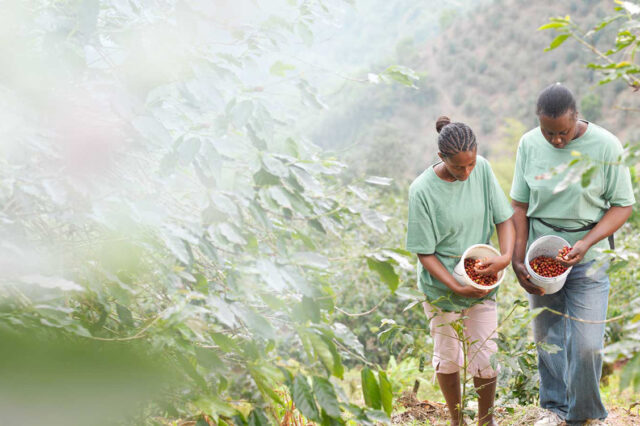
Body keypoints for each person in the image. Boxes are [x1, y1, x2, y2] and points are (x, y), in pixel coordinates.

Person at [510, 83, 635, 426]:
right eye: (548, 132)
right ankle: (554, 409)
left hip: (588, 257)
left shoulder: (605, 145)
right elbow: (519, 204)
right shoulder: (529, 144)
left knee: (587, 345)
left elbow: (622, 205)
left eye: (563, 132)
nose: (556, 141)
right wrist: (518, 260)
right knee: (548, 338)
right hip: (540, 256)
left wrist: (587, 243)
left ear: (576, 117)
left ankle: (584, 416)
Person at [406, 116, 515, 426]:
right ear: (442, 158)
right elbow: (424, 253)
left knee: (485, 356)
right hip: (442, 286)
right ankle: (457, 420)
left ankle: (485, 420)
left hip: (482, 280)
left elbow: (503, 218)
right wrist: (455, 286)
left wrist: (505, 255)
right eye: (458, 167)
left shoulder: (482, 169)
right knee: (449, 354)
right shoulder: (422, 191)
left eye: (471, 164)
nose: (467, 172)